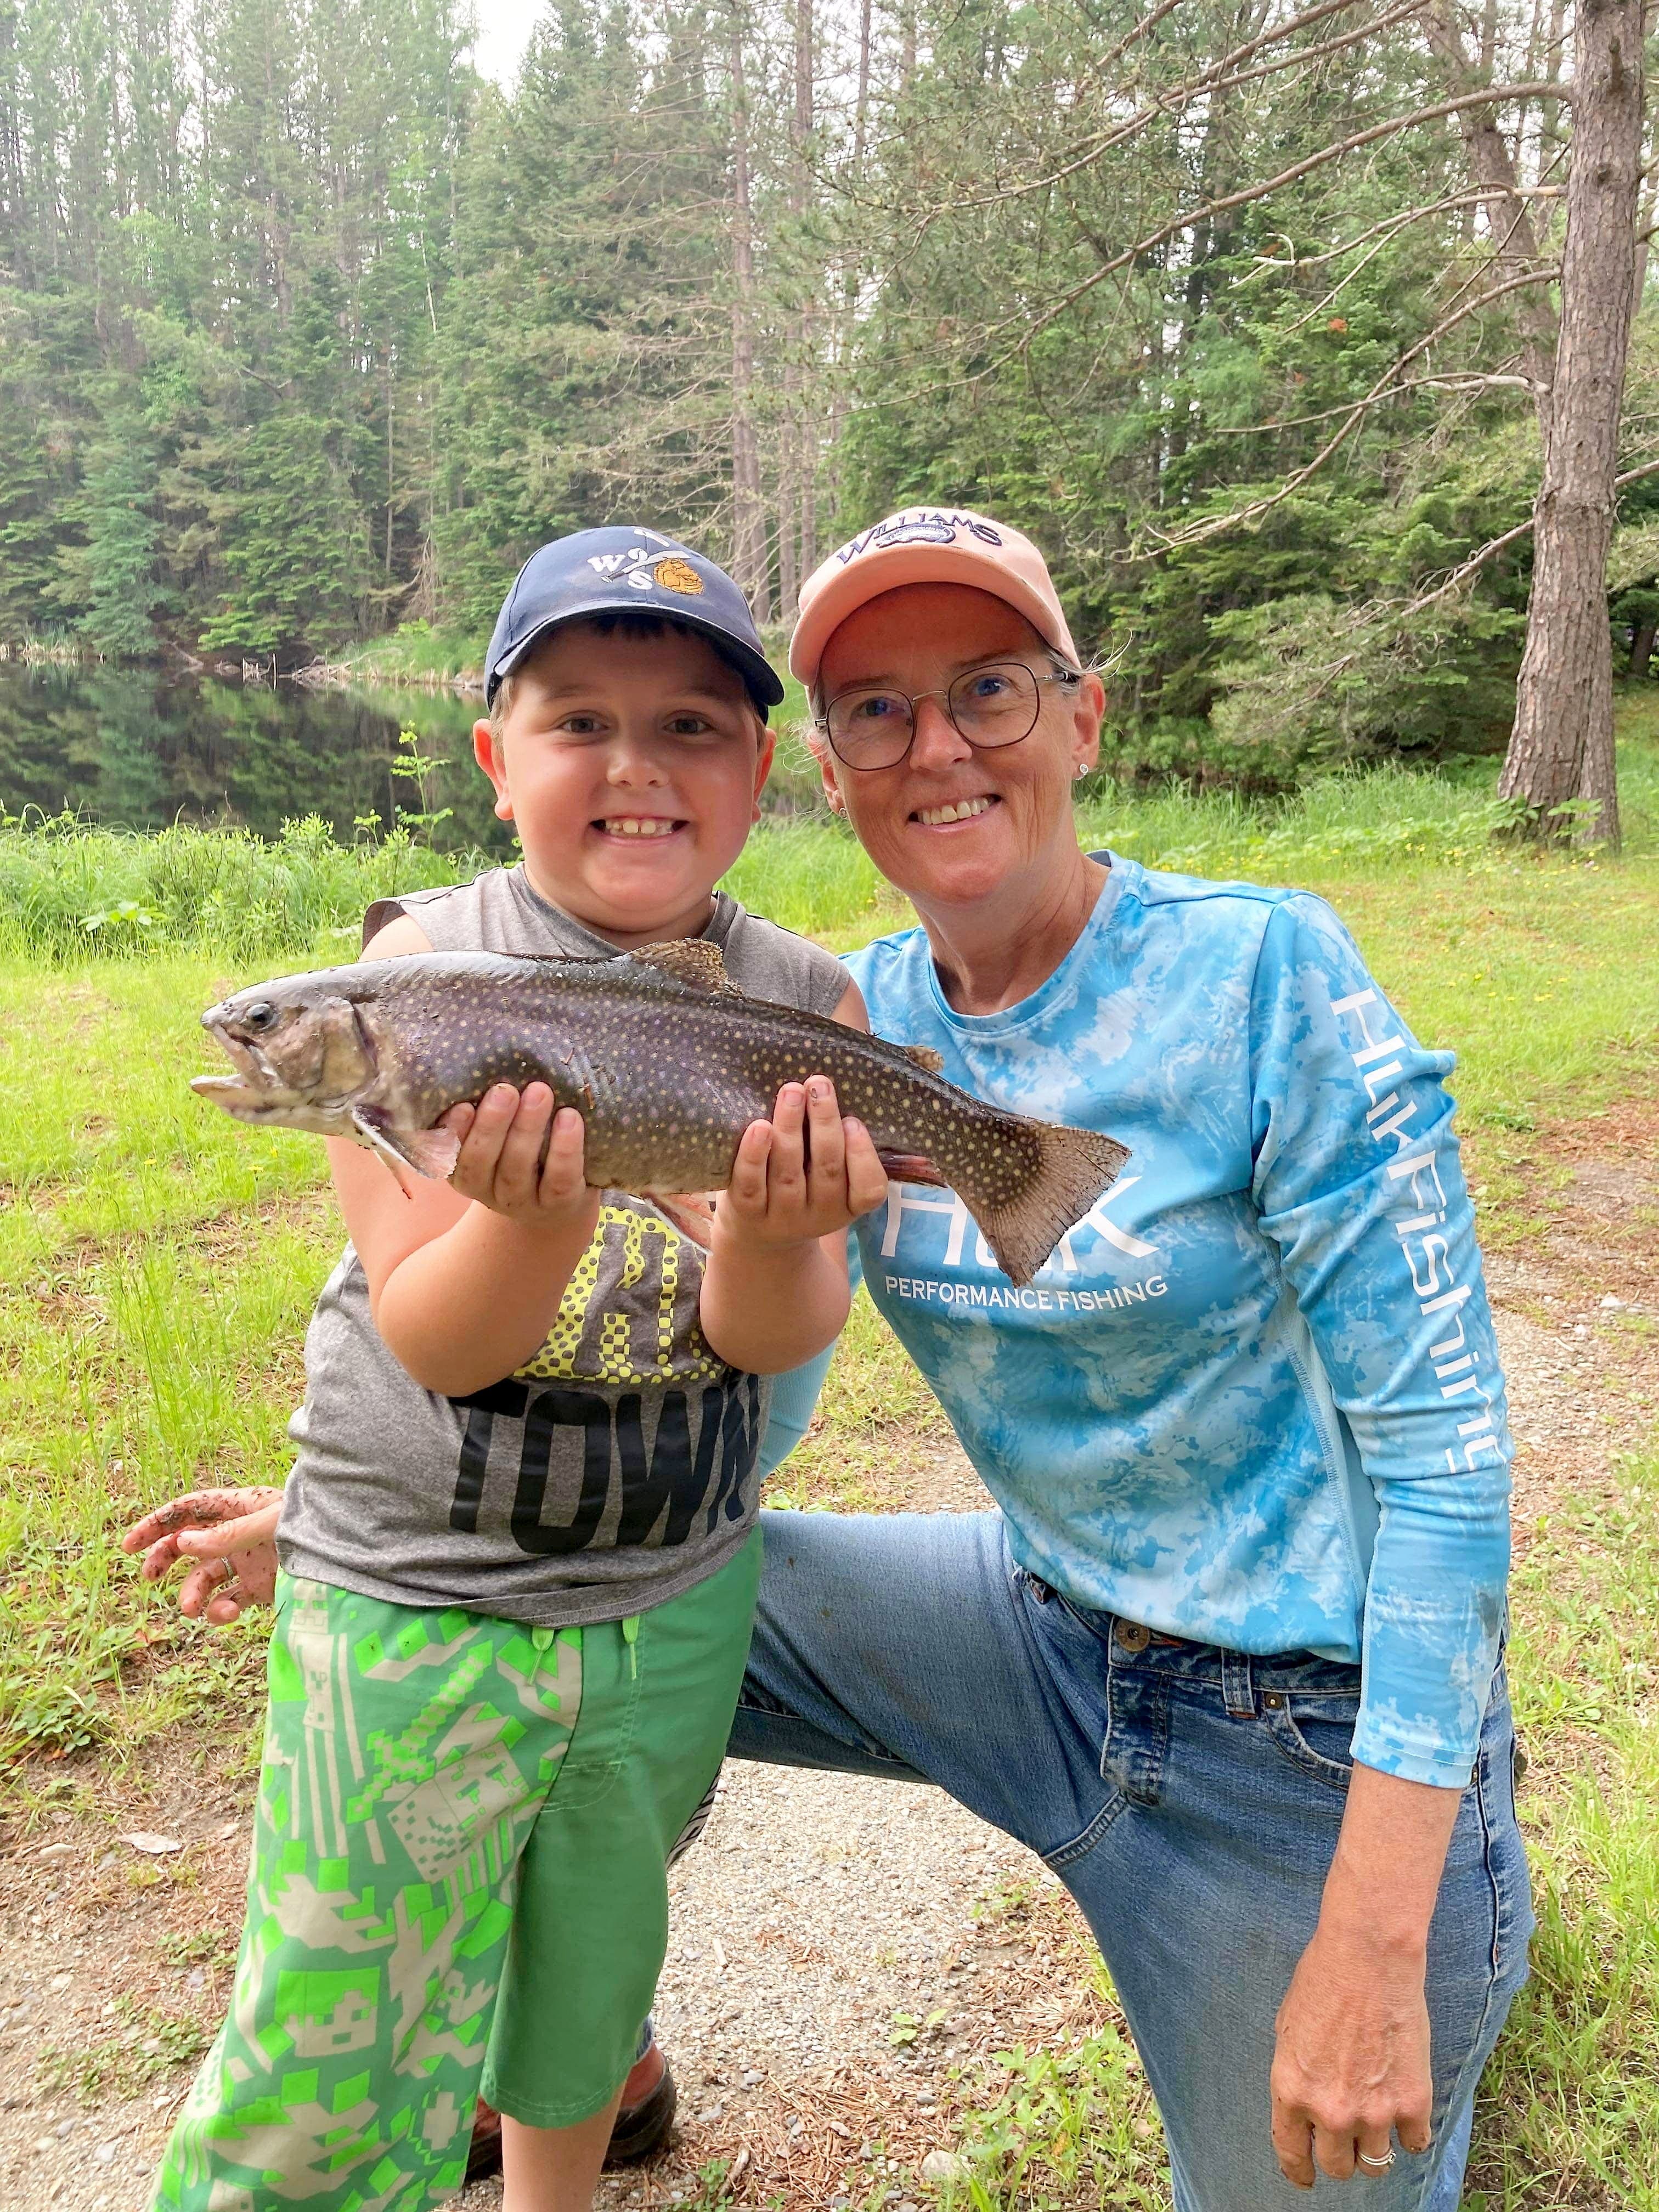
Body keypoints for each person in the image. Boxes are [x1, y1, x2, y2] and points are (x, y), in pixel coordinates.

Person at [693, 510, 1531, 2208]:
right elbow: (763, 1400)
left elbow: (1447, 1466)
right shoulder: (848, 1027)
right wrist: (415, 1536)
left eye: (989, 689)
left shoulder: (1262, 974)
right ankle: (569, 2054)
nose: (939, 746)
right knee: (573, 1603)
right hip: (1037, 1630)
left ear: (1081, 719)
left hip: (1297, 1724)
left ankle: (1455, 1890)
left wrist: (1376, 1940)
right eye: (879, 710)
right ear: (832, 775)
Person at [124, 526, 889, 2212]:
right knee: (334, 2032)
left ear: (761, 770)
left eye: (690, 727)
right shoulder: (412, 977)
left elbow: (777, 1339)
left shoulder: (804, 1003)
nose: (636, 766)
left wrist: (774, 1238)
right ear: (493, 756)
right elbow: (437, 1338)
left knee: (587, 1986)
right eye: (579, 722)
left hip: (668, 1599)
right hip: (414, 1600)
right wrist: (540, 1217)